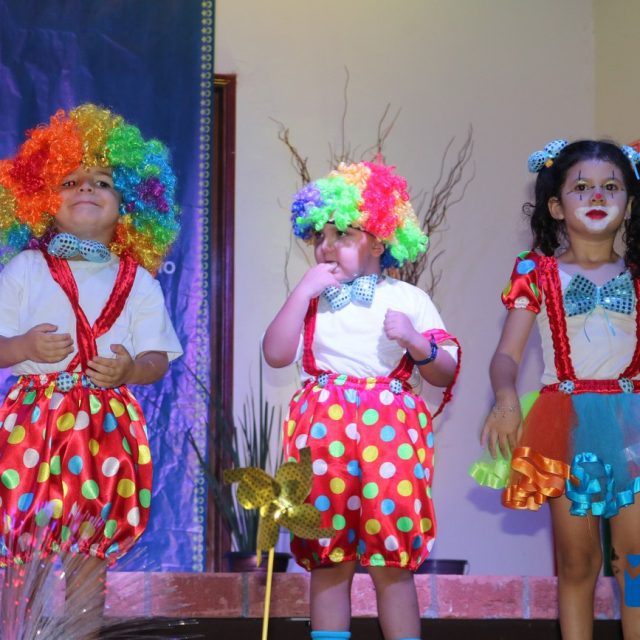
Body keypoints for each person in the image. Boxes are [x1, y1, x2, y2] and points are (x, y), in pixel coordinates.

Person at [0, 104, 182, 624]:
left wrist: (130, 371)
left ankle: (81, 632)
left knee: (88, 546)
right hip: (32, 421)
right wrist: (23, 348)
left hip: (103, 427)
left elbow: (157, 359)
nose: (85, 188)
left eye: (102, 182)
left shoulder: (139, 280)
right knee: (23, 543)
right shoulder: (25, 268)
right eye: (70, 181)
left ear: (129, 207)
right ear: (41, 200)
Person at [263, 161, 460, 640]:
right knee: (328, 556)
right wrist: (301, 292)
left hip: (390, 436)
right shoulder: (311, 301)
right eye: (320, 235)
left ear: (378, 241)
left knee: (391, 558)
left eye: (344, 234)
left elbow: (446, 369)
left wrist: (415, 341)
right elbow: (275, 353)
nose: (327, 245)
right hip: (323, 435)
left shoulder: (408, 297)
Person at [477, 139, 640, 639]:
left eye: (611, 186)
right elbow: (507, 355)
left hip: (632, 426)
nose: (598, 195)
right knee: (577, 561)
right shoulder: (537, 273)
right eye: (582, 187)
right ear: (555, 206)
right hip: (567, 426)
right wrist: (506, 398)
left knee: (635, 561)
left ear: (630, 203)